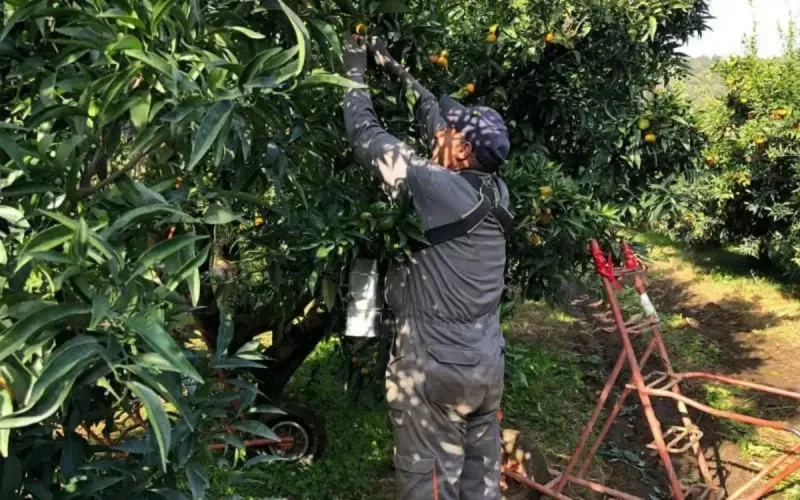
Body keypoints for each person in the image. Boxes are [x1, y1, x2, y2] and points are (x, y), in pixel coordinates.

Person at [341, 34, 513, 500]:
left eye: (449, 132)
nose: (439, 131)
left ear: (461, 151)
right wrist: (395, 69)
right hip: (485, 366)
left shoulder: (429, 185)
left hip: (435, 368)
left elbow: (365, 134)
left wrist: (354, 69)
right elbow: (435, 116)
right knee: (481, 487)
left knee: (431, 486)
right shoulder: (496, 192)